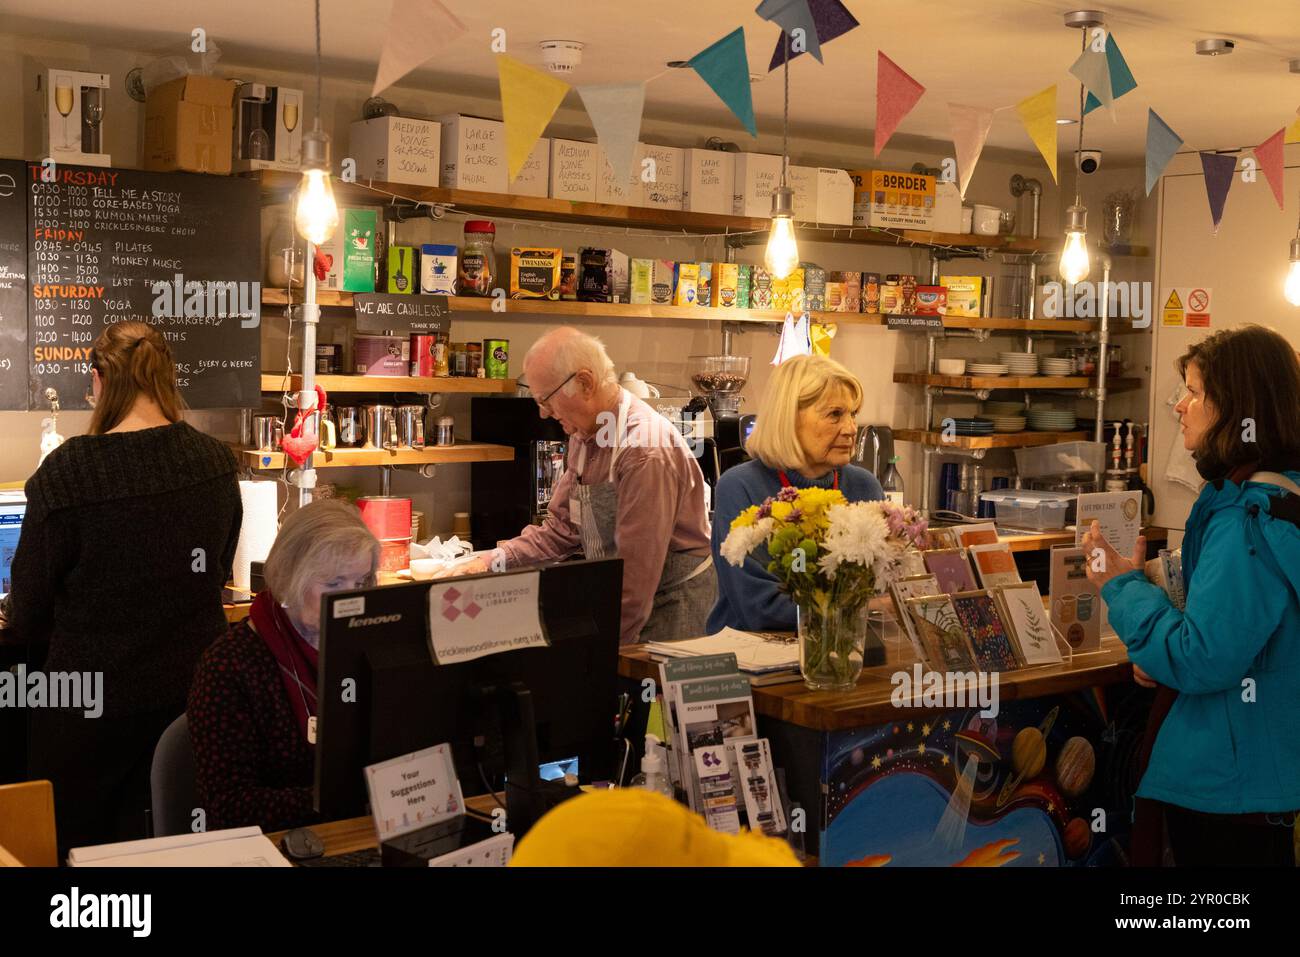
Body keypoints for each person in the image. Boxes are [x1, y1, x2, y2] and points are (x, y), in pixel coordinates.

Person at [11, 320, 241, 852]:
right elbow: (215, 572)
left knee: (78, 859)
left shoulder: (67, 474)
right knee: (181, 850)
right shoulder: (215, 462)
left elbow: (27, 611)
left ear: (98, 381)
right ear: (165, 377)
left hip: (89, 714)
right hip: (191, 707)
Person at [1083, 324, 1300, 867]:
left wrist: (1122, 586)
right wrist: (1160, 648)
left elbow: (1203, 658)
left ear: (1236, 408)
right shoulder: (1278, 498)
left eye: (1195, 393)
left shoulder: (1247, 519)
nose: (1180, 405)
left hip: (1231, 782)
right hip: (1262, 772)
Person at [447, 327, 715, 644]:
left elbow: (634, 579)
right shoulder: (584, 436)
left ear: (585, 383)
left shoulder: (644, 451)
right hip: (626, 602)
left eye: (545, 399)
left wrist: (598, 651)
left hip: (670, 614)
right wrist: (490, 561)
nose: (542, 412)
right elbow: (563, 528)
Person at [188, 500, 379, 833]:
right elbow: (227, 808)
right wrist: (340, 799)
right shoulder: (230, 667)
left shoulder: (371, 649)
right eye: (333, 584)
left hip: (358, 834)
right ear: (290, 577)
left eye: (361, 583)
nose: (350, 601)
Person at [707, 355, 883, 633]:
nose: (850, 429)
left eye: (853, 414)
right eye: (835, 414)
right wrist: (860, 608)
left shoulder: (864, 487)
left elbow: (881, 589)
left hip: (842, 653)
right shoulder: (740, 487)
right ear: (788, 418)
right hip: (749, 663)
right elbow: (760, 608)